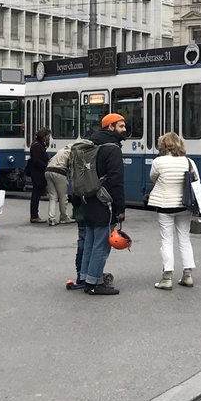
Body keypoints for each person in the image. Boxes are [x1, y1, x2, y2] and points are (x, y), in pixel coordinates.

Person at [72, 113, 127, 295]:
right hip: (105, 201)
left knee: (90, 241)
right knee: (101, 245)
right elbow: (116, 180)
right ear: (110, 127)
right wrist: (120, 208)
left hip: (88, 199)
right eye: (120, 126)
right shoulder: (112, 149)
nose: (124, 130)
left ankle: (87, 277)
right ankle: (95, 283)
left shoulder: (91, 145)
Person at [147, 131, 198, 291]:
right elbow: (196, 180)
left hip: (165, 205)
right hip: (185, 205)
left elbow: (153, 178)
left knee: (166, 240)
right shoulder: (188, 162)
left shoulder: (158, 162)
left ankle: (167, 278)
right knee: (184, 239)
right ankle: (188, 275)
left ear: (162, 145)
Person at [45, 144, 74, 225]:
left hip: (48, 171)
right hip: (59, 172)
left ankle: (52, 218)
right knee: (63, 196)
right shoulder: (71, 152)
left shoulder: (60, 151)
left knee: (53, 196)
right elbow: (70, 165)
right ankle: (63, 217)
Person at [27, 128, 50, 223]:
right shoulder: (38, 145)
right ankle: (34, 216)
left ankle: (34, 215)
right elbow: (36, 160)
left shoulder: (37, 144)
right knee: (36, 194)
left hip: (37, 172)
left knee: (36, 194)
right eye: (48, 136)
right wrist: (46, 165)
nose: (48, 138)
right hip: (38, 173)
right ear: (44, 136)